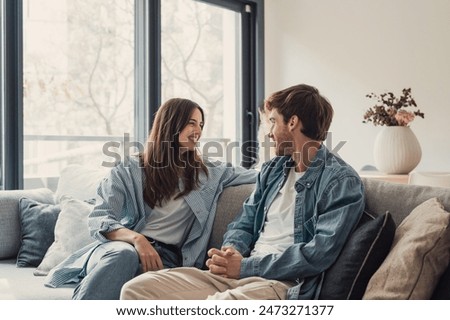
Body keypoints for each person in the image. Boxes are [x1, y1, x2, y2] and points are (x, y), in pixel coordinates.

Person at [120, 84, 365, 300]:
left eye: (272, 121)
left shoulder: (341, 181)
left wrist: (246, 267)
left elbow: (318, 254)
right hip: (237, 275)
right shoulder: (273, 170)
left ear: (292, 123)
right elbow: (244, 223)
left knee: (220, 306)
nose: (269, 132)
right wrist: (231, 252)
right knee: (136, 289)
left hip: (281, 284)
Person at [44, 98, 258, 299]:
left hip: (169, 259)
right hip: (121, 247)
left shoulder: (209, 173)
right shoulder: (129, 169)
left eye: (201, 124)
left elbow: (262, 174)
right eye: (192, 123)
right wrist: (138, 240)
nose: (198, 131)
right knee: (123, 257)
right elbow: (101, 218)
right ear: (171, 124)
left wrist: (289, 156)